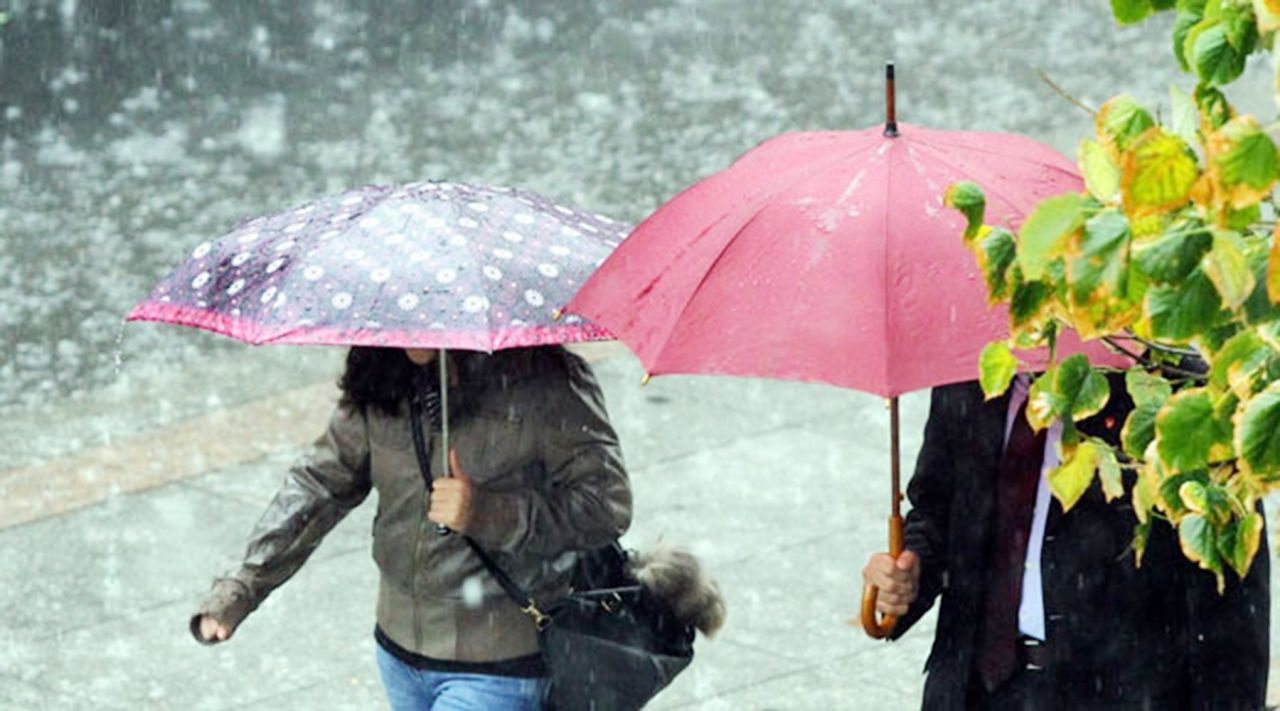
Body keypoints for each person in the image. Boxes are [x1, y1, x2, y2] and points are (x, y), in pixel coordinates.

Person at [191, 345, 632, 711]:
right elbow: (320, 485)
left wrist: (487, 512)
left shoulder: (548, 381)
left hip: (498, 661)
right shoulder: (380, 375)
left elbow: (607, 506)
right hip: (398, 651)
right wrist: (242, 586)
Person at [862, 373, 1270, 710]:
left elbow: (1231, 617)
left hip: (1114, 693)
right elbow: (937, 507)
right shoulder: (970, 376)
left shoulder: (1175, 397)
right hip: (975, 690)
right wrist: (911, 570)